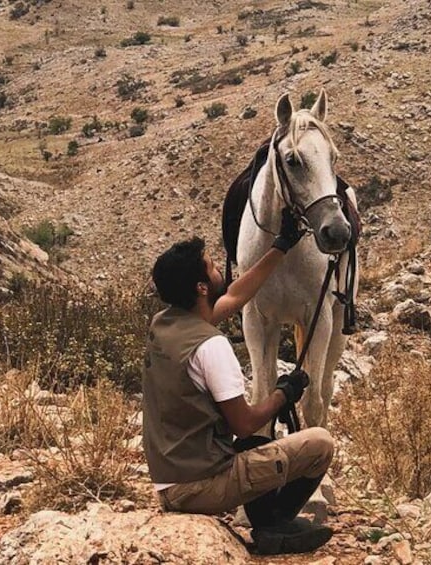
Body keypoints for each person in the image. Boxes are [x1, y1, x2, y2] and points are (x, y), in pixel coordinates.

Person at [142, 209, 336, 555]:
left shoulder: (166, 322)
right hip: (200, 486)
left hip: (169, 481)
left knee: (251, 451)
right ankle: (276, 527)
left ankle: (272, 525)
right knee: (319, 443)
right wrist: (284, 393)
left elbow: (233, 297)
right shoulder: (211, 346)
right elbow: (245, 424)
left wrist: (280, 247)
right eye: (213, 266)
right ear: (202, 287)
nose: (221, 269)